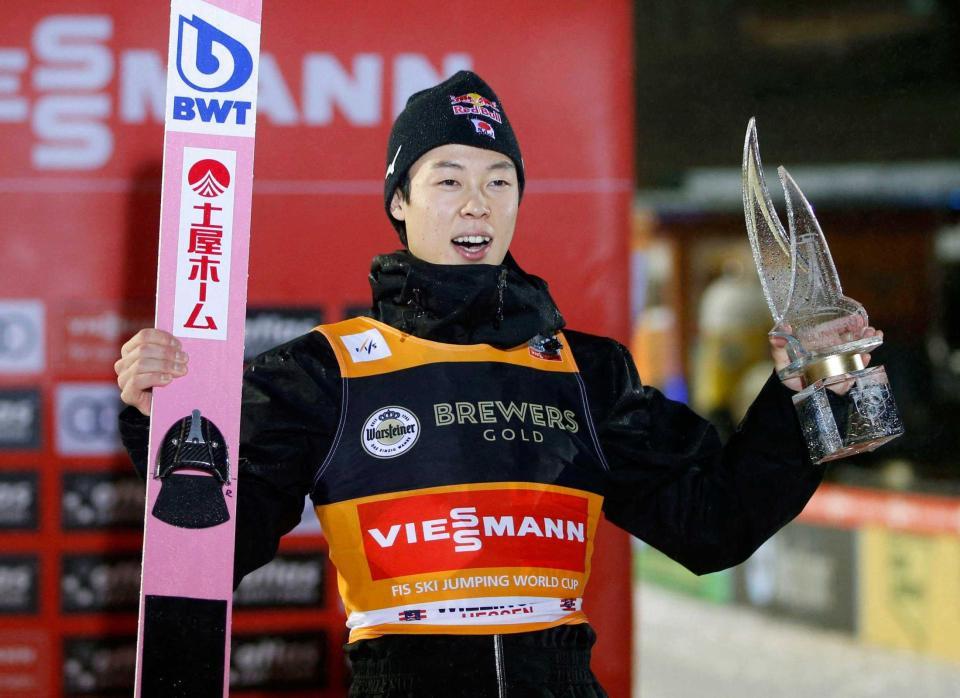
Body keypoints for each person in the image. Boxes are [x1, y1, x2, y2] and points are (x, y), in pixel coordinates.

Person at [115, 71, 878, 697]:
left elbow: (716, 524)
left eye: (498, 180)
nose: (477, 202)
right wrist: (165, 421)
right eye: (447, 180)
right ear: (399, 203)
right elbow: (208, 551)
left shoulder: (585, 372)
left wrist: (804, 394)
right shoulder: (325, 374)